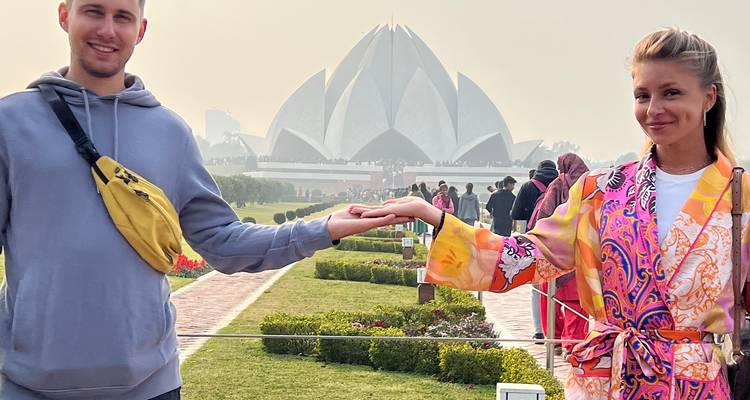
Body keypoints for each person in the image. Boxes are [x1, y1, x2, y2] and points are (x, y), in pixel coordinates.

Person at [0, 1, 406, 399]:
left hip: (147, 385)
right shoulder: (12, 123)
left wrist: (324, 228)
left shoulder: (169, 132)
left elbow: (222, 242)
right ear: (64, 15)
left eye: (123, 16)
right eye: (94, 11)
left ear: (141, 30)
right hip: (29, 385)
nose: (108, 29)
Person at [358, 28, 750, 398]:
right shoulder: (601, 192)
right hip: (604, 382)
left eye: (671, 93)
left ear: (709, 97)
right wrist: (435, 218)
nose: (654, 109)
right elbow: (523, 259)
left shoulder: (741, 199)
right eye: (642, 95)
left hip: (694, 386)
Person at [536, 153, 589, 356]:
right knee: (577, 302)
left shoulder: (558, 184)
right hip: (581, 252)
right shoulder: (590, 185)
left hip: (556, 252)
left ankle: (555, 339)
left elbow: (544, 214)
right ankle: (573, 345)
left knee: (550, 299)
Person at [512, 160, 558, 342]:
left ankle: (539, 330)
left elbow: (515, 215)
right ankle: (557, 332)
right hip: (559, 242)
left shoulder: (528, 187)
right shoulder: (564, 185)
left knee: (538, 288)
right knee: (559, 289)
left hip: (535, 240)